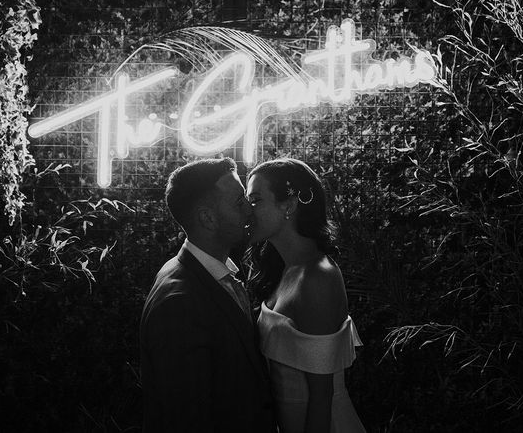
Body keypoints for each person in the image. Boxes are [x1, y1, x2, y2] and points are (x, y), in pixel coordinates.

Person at [139, 157, 276, 432]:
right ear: (207, 218)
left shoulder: (212, 272)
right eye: (239, 202)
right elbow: (187, 417)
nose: (250, 210)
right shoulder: (179, 304)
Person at [246, 158, 366, 433]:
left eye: (255, 200)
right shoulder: (286, 269)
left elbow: (321, 398)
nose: (246, 211)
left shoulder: (318, 279)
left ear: (288, 206)